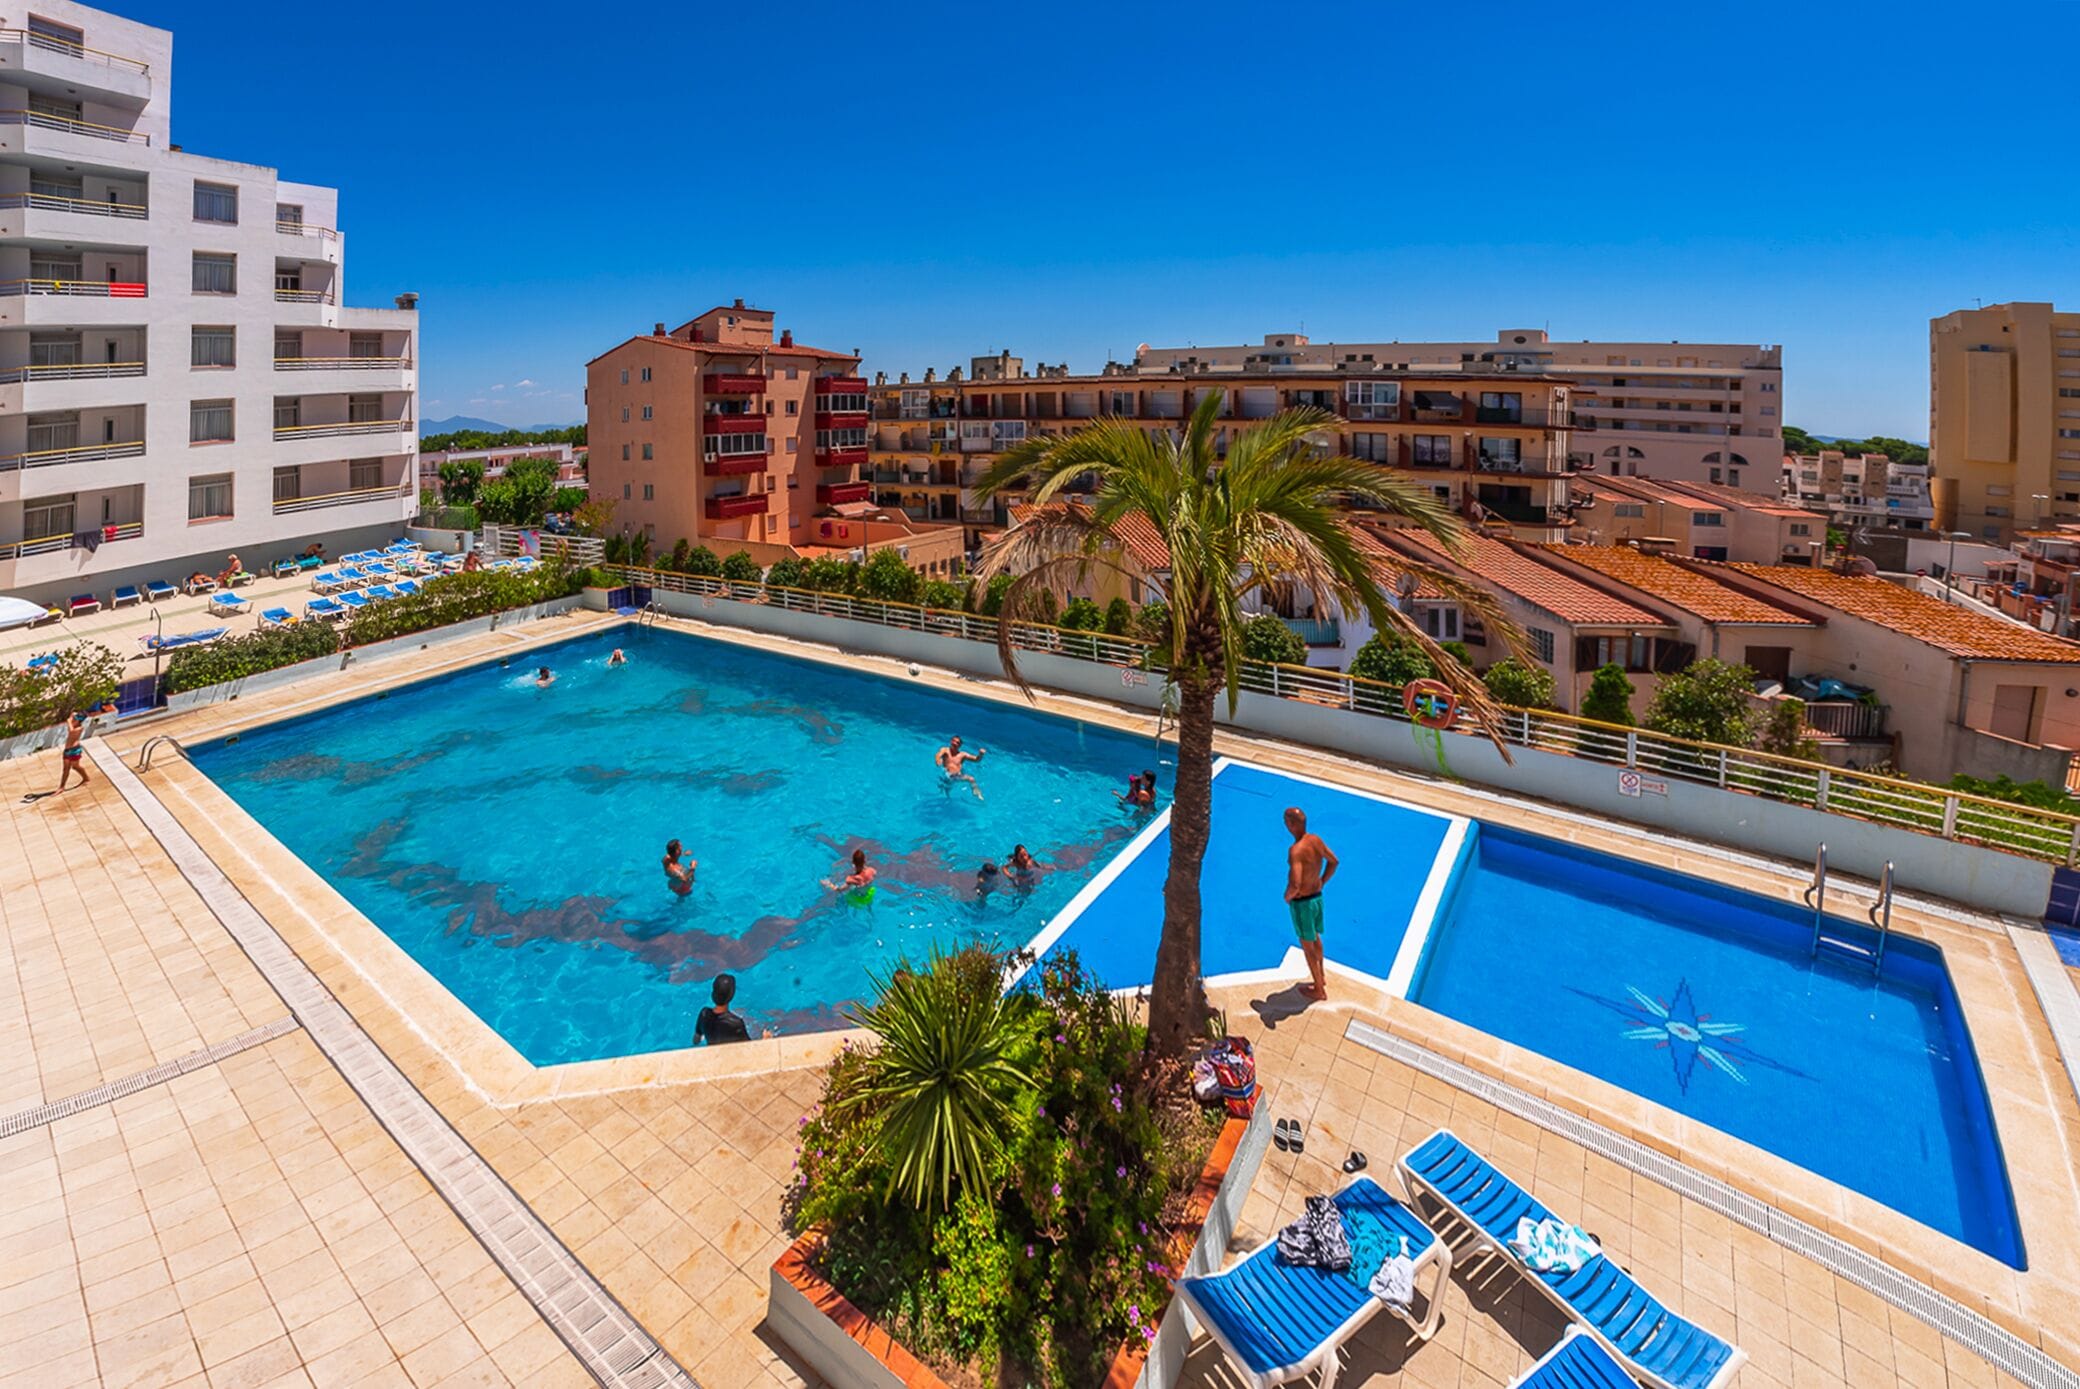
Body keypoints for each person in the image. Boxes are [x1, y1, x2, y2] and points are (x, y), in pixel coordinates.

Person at [1283, 807, 1339, 1001]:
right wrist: (1322, 881)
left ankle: (1318, 990)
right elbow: (1334, 861)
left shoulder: (1295, 851)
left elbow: (1296, 883)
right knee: (1316, 939)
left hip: (1303, 905)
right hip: (1317, 899)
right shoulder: (1316, 840)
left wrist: (1288, 896)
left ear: (1291, 824)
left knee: (1307, 948)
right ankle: (1321, 977)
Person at [56, 700, 117, 793]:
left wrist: (68, 721)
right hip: (67, 750)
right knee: (66, 769)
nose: (72, 721)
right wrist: (72, 714)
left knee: (75, 767)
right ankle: (61, 787)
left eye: (74, 720)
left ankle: (86, 778)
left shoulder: (79, 728)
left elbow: (71, 731)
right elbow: (73, 716)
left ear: (78, 721)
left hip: (74, 750)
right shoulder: (74, 724)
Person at [694, 974, 751, 1045]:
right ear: (731, 996)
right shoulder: (736, 1023)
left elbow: (696, 1039)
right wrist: (765, 1039)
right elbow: (750, 1047)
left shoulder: (704, 1014)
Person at [935, 734, 987, 800]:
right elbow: (938, 754)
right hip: (947, 775)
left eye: (957, 742)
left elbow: (976, 760)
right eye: (953, 741)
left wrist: (980, 754)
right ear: (951, 741)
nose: (954, 743)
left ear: (960, 745)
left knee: (971, 779)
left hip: (957, 776)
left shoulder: (963, 755)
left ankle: (977, 793)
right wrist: (938, 760)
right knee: (945, 792)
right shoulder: (945, 750)